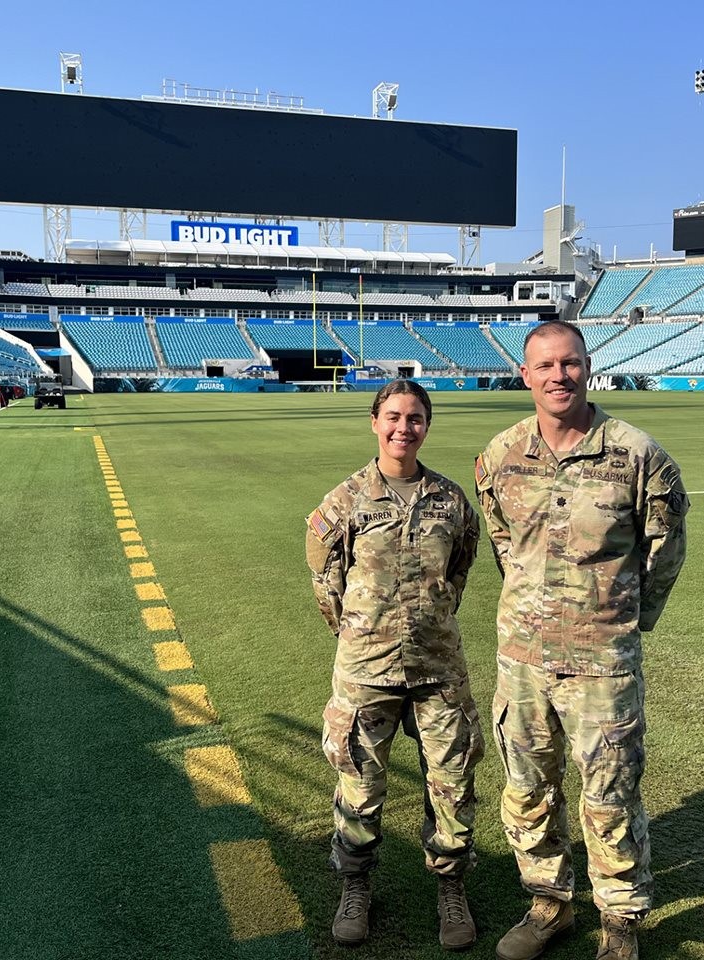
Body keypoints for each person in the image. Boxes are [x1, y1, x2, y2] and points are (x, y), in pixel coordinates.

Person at [475, 321, 689, 960]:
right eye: (545, 366)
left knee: (610, 789)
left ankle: (619, 920)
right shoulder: (500, 455)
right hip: (523, 659)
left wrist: (625, 619)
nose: (558, 376)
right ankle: (548, 903)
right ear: (526, 375)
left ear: (588, 367)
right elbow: (503, 544)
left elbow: (665, 549)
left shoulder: (637, 454)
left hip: (602, 662)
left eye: (569, 364)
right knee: (527, 786)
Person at [307, 379, 483, 951]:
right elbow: (326, 581)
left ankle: (451, 886)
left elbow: (459, 570)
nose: (403, 428)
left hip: (438, 667)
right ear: (374, 421)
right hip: (367, 668)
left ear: (427, 425)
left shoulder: (452, 501)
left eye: (415, 418)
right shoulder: (345, 500)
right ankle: (355, 885)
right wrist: (363, 631)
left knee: (452, 784)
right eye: (393, 417)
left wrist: (426, 619)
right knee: (360, 784)